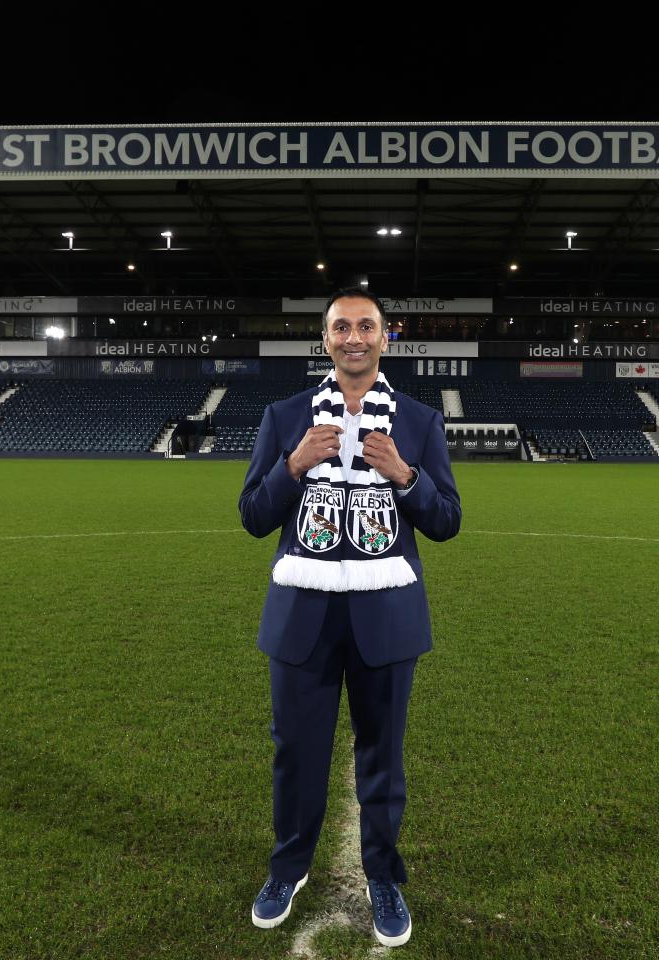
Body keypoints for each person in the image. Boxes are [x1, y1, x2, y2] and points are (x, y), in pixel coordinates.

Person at [238, 288, 462, 948]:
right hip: (301, 612)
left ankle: (384, 876)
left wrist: (407, 477)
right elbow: (253, 516)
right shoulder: (285, 416)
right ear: (326, 338)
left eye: (367, 326)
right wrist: (293, 465)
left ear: (385, 338)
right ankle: (288, 869)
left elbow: (447, 521)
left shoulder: (418, 421)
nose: (355, 337)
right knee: (294, 752)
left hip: (386, 613)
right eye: (342, 327)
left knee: (383, 758)